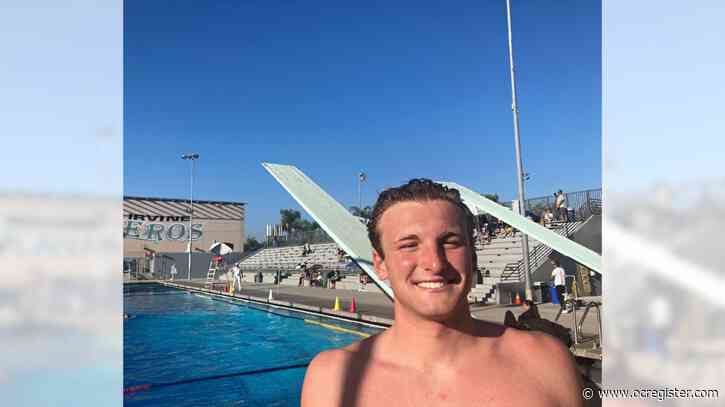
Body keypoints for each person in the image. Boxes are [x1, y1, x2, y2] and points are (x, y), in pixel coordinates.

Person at [301, 179, 582, 406]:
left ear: (473, 257)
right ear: (380, 264)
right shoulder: (333, 379)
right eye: (409, 245)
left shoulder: (546, 362)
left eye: (450, 242)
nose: (434, 263)